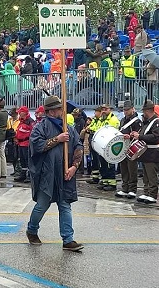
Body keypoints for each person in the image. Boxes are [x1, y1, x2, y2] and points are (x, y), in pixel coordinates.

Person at [26, 96, 84, 252]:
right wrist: (57, 139)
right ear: (52, 111)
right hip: (48, 174)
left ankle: (68, 239)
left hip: (65, 174)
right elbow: (37, 146)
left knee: (65, 206)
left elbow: (78, 146)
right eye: (59, 109)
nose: (62, 111)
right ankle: (32, 230)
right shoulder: (40, 127)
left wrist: (74, 167)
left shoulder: (69, 128)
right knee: (42, 205)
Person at [131, 100, 159, 204]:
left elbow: (155, 137)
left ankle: (152, 194)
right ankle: (147, 192)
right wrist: (136, 134)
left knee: (152, 175)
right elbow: (143, 133)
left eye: (145, 111)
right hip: (146, 152)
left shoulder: (156, 122)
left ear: (148, 111)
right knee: (146, 175)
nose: (144, 113)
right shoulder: (147, 122)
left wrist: (141, 136)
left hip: (153, 152)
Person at [116, 100, 142, 199]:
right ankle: (125, 188)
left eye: (127, 109)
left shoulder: (137, 121)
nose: (125, 111)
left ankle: (132, 189)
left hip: (132, 148)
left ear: (132, 109)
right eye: (124, 110)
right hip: (123, 147)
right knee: (124, 169)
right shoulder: (122, 120)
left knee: (132, 170)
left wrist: (130, 137)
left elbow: (138, 135)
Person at [97, 104, 120, 191]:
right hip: (102, 144)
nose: (103, 111)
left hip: (109, 144)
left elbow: (113, 131)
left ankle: (112, 183)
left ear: (110, 110)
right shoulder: (101, 119)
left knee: (109, 164)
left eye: (105, 109)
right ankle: (105, 180)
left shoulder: (113, 119)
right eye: (102, 109)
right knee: (103, 164)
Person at [14, 106, 35, 182]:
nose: (19, 114)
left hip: (26, 144)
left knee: (28, 160)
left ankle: (29, 176)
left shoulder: (30, 121)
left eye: (20, 112)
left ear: (24, 113)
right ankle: (23, 174)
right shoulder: (21, 121)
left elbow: (33, 133)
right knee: (22, 160)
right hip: (20, 144)